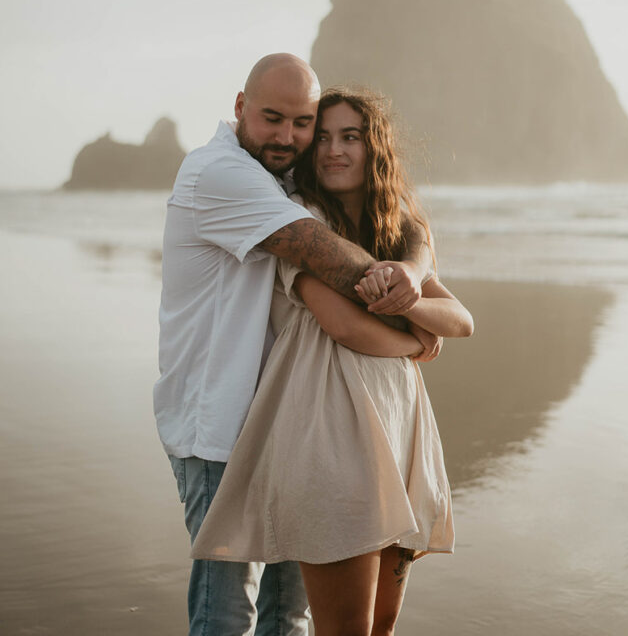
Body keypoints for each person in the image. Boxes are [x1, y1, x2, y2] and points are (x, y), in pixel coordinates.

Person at [154, 56, 430, 636]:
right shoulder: (221, 174)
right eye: (272, 119)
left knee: (290, 616)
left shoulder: (286, 179)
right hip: (219, 429)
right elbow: (327, 257)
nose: (288, 137)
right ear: (239, 108)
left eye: (301, 123)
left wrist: (415, 261)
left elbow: (404, 219)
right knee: (227, 615)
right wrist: (414, 314)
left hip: (288, 427)